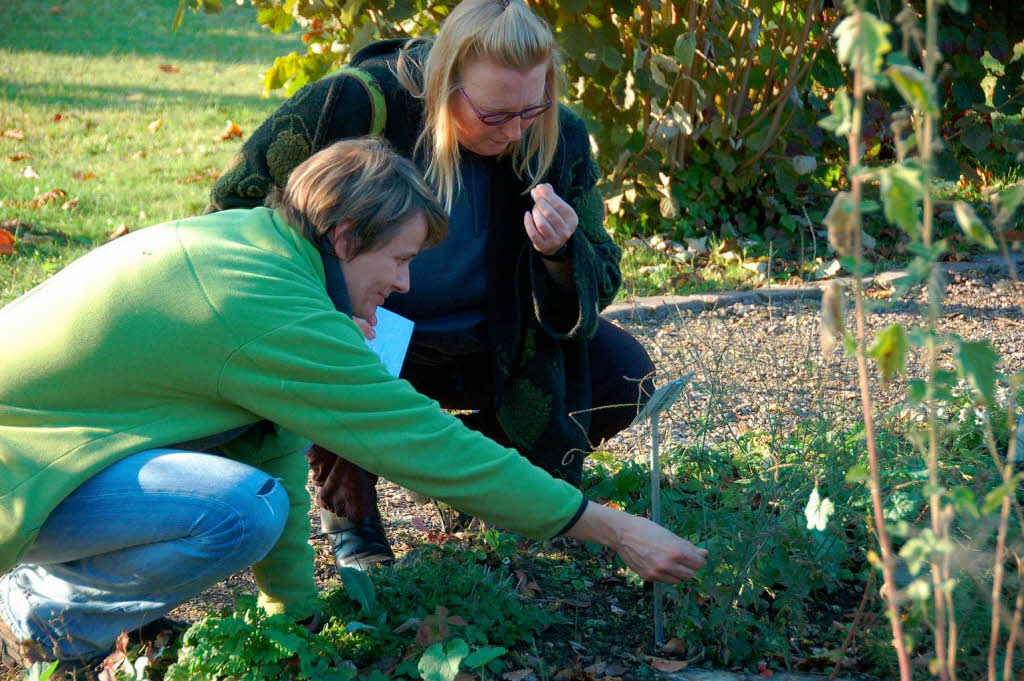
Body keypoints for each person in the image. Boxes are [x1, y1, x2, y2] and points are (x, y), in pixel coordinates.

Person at [0, 139, 707, 671]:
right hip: (18, 470)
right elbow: (428, 446)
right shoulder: (272, 306)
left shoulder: (260, 251)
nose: (403, 284)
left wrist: (295, 620)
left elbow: (266, 439)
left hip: (45, 458)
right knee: (239, 509)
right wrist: (612, 530)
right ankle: (40, 614)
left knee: (253, 492)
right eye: (399, 260)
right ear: (344, 238)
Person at [208, 0, 658, 572]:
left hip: (489, 341)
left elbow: (603, 272)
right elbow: (235, 204)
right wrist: (319, 305)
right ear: (444, 82)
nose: (517, 130)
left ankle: (471, 473)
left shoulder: (557, 136)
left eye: (532, 108)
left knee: (624, 371)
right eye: (495, 115)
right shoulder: (356, 104)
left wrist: (562, 253)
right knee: (368, 344)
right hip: (366, 332)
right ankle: (353, 512)